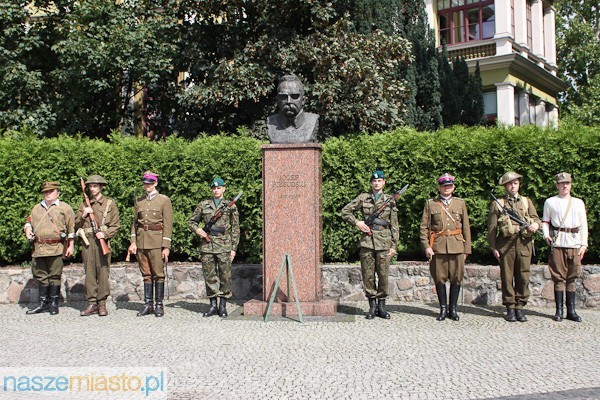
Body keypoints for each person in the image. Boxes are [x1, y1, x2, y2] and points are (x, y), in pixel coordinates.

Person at [341, 169, 399, 319]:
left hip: (384, 242)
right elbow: (345, 211)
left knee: (384, 275)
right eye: (374, 181)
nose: (377, 183)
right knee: (368, 275)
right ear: (371, 183)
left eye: (379, 180)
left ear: (384, 182)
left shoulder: (390, 200)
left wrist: (394, 246)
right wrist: (357, 222)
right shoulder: (364, 198)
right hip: (367, 242)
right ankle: (372, 307)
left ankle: (382, 306)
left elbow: (394, 225)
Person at [487, 171, 541, 322]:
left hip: (524, 243)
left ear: (519, 185)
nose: (513, 186)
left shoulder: (526, 201)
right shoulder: (498, 204)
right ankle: (510, 307)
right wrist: (493, 247)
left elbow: (537, 219)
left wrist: (535, 225)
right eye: (510, 183)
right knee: (507, 276)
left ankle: (520, 307)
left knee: (523, 275)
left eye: (515, 183)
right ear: (505, 186)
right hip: (506, 244)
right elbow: (491, 228)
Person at [419, 174, 471, 321]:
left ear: (453, 187)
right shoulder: (431, 204)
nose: (447, 188)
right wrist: (427, 246)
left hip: (457, 246)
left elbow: (466, 227)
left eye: (449, 186)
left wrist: (466, 249)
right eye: (444, 186)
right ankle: (442, 309)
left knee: (457, 278)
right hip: (438, 247)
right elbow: (424, 227)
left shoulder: (460, 203)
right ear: (439, 187)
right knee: (439, 278)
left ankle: (453, 309)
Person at [188, 177, 240, 318]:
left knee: (225, 276)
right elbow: (191, 221)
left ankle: (222, 305)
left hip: (224, 246)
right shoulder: (204, 204)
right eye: (214, 188)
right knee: (209, 276)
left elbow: (235, 228)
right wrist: (198, 230)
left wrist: (233, 248)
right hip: (207, 245)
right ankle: (212, 305)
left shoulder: (230, 206)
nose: (216, 190)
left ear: (224, 189)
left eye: (219, 188)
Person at [542, 172, 588, 322]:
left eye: (567, 183)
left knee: (572, 277)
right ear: (557, 185)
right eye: (562, 183)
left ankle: (572, 311)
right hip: (558, 243)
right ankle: (559, 311)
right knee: (558, 277)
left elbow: (583, 225)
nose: (565, 186)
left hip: (574, 243)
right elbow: (545, 221)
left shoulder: (578, 203)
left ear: (571, 185)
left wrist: (583, 244)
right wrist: (546, 234)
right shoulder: (550, 202)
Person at [24, 181, 75, 315]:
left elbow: (71, 228)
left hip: (56, 247)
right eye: (45, 191)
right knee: (41, 275)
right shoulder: (36, 208)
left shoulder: (65, 208)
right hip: (39, 247)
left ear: (57, 192)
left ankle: (53, 303)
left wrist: (71, 245)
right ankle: (43, 303)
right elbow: (28, 222)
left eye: (51, 191)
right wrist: (28, 230)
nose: (47, 193)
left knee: (55, 275)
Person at [127, 171, 173, 317]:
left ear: (156, 183)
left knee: (158, 274)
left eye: (150, 183)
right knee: (146, 274)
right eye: (145, 183)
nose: (147, 185)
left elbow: (168, 224)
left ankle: (159, 305)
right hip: (142, 241)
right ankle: (148, 304)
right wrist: (133, 242)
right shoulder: (139, 201)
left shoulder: (164, 200)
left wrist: (166, 246)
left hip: (156, 242)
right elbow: (134, 224)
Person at [75, 175, 120, 317]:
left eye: (95, 186)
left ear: (101, 187)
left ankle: (102, 303)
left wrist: (105, 235)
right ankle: (92, 303)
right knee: (89, 273)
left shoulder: (109, 204)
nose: (93, 189)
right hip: (88, 242)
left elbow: (115, 225)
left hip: (102, 242)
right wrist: (83, 215)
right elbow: (75, 224)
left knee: (103, 272)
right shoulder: (84, 204)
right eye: (90, 186)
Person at [267, 75, 319, 144]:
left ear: (303, 100)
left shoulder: (312, 120)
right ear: (277, 100)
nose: (289, 101)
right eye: (283, 97)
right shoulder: (271, 122)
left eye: (294, 96)